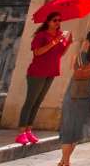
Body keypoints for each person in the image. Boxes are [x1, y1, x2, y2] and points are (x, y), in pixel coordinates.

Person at [18, 12, 71, 146]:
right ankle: (21, 132)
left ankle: (29, 130)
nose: (57, 23)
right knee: (30, 101)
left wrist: (68, 43)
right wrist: (53, 42)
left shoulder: (59, 36)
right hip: (37, 71)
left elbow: (61, 53)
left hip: (51, 72)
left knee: (38, 102)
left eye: (59, 20)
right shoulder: (41, 35)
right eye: (55, 20)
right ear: (48, 22)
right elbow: (37, 52)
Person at [58, 29, 90, 166]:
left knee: (67, 128)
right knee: (78, 129)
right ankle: (65, 161)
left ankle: (64, 160)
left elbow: (72, 71)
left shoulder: (77, 55)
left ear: (86, 40)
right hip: (87, 96)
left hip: (72, 93)